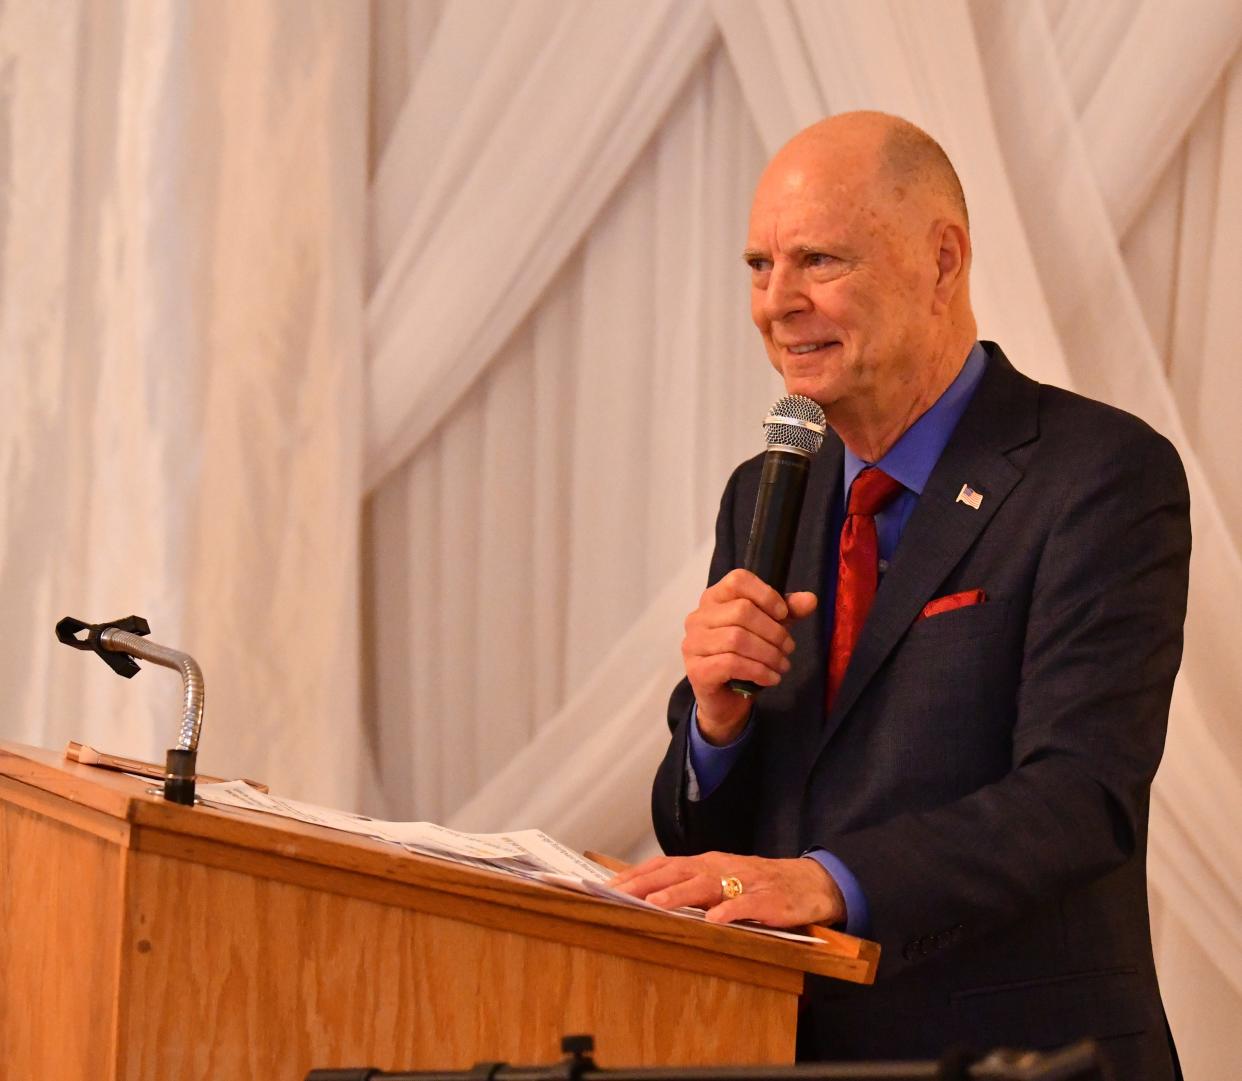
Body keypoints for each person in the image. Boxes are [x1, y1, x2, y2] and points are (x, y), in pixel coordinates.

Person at [610, 112, 1189, 1079]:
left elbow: (1080, 798)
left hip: (1020, 1056)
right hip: (777, 1046)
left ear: (943, 261)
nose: (775, 303)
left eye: (818, 261)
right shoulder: (765, 492)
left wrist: (830, 881)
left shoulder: (1099, 474)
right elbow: (711, 847)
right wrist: (716, 723)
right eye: (758, 266)